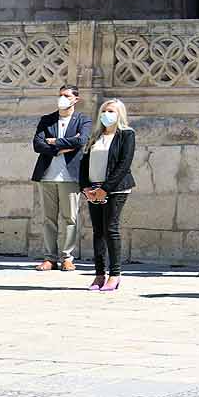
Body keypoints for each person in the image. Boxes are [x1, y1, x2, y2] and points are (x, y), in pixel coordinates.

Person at [79, 98, 135, 292]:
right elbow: (84, 162)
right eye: (104, 111)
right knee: (98, 232)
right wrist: (85, 187)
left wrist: (106, 188)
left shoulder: (126, 135)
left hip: (116, 188)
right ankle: (99, 274)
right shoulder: (95, 136)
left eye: (111, 111)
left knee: (111, 229)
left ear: (119, 114)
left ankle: (115, 274)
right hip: (93, 188)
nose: (106, 114)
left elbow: (124, 164)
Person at [31, 85, 88, 272]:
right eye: (60, 95)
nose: (62, 98)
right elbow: (37, 144)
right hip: (47, 175)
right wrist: (61, 147)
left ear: (75, 99)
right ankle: (50, 258)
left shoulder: (83, 120)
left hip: (70, 176)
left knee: (70, 218)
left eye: (66, 95)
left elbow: (81, 141)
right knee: (49, 218)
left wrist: (53, 141)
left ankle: (67, 257)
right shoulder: (47, 120)